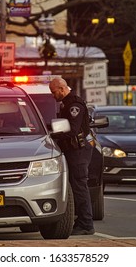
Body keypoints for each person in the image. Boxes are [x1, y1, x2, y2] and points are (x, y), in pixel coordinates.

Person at [49, 76, 95, 235]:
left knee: (79, 186)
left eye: (54, 92)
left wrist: (53, 135)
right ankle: (81, 220)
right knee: (75, 186)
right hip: (72, 151)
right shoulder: (67, 104)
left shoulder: (74, 104)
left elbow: (72, 130)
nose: (53, 96)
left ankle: (86, 224)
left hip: (78, 151)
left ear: (62, 89)